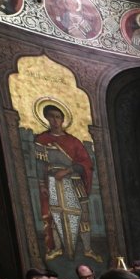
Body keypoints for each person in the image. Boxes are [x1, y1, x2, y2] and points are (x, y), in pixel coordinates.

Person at [34, 103, 96, 262]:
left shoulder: (74, 141)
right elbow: (40, 165)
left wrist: (68, 171)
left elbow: (86, 163)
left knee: (82, 216)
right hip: (54, 182)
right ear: (46, 118)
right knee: (56, 215)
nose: (55, 120)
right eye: (51, 117)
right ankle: (58, 248)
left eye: (58, 117)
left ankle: (88, 249)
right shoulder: (42, 139)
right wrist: (42, 185)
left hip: (74, 182)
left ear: (62, 120)